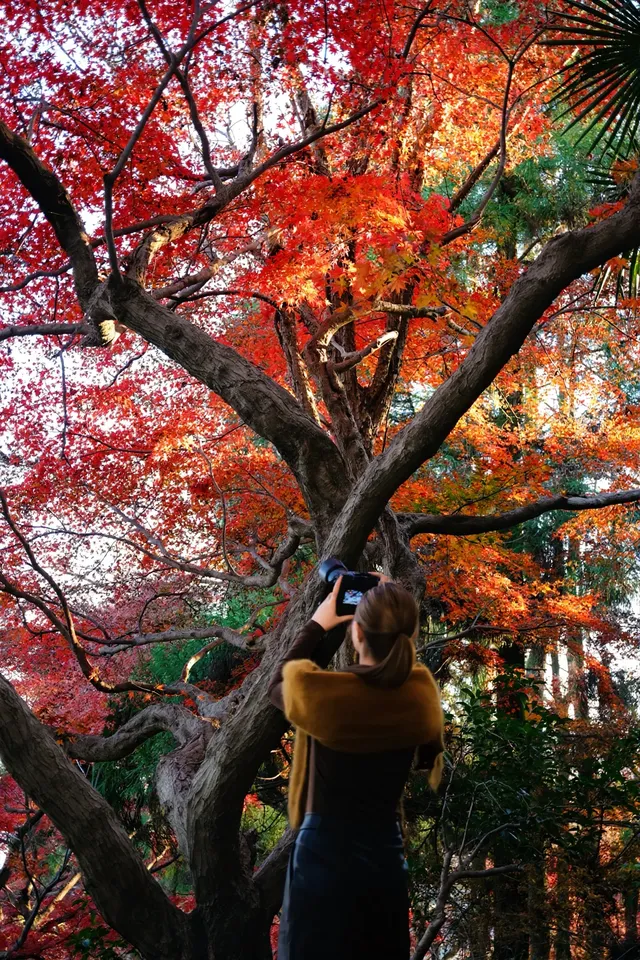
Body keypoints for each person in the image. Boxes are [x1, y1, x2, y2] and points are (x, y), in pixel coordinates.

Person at [268, 574, 445, 960]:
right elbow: (425, 755)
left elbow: (277, 684)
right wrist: (391, 602)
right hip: (385, 857)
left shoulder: (327, 696)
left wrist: (318, 623)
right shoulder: (420, 696)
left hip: (323, 857)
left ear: (357, 633)